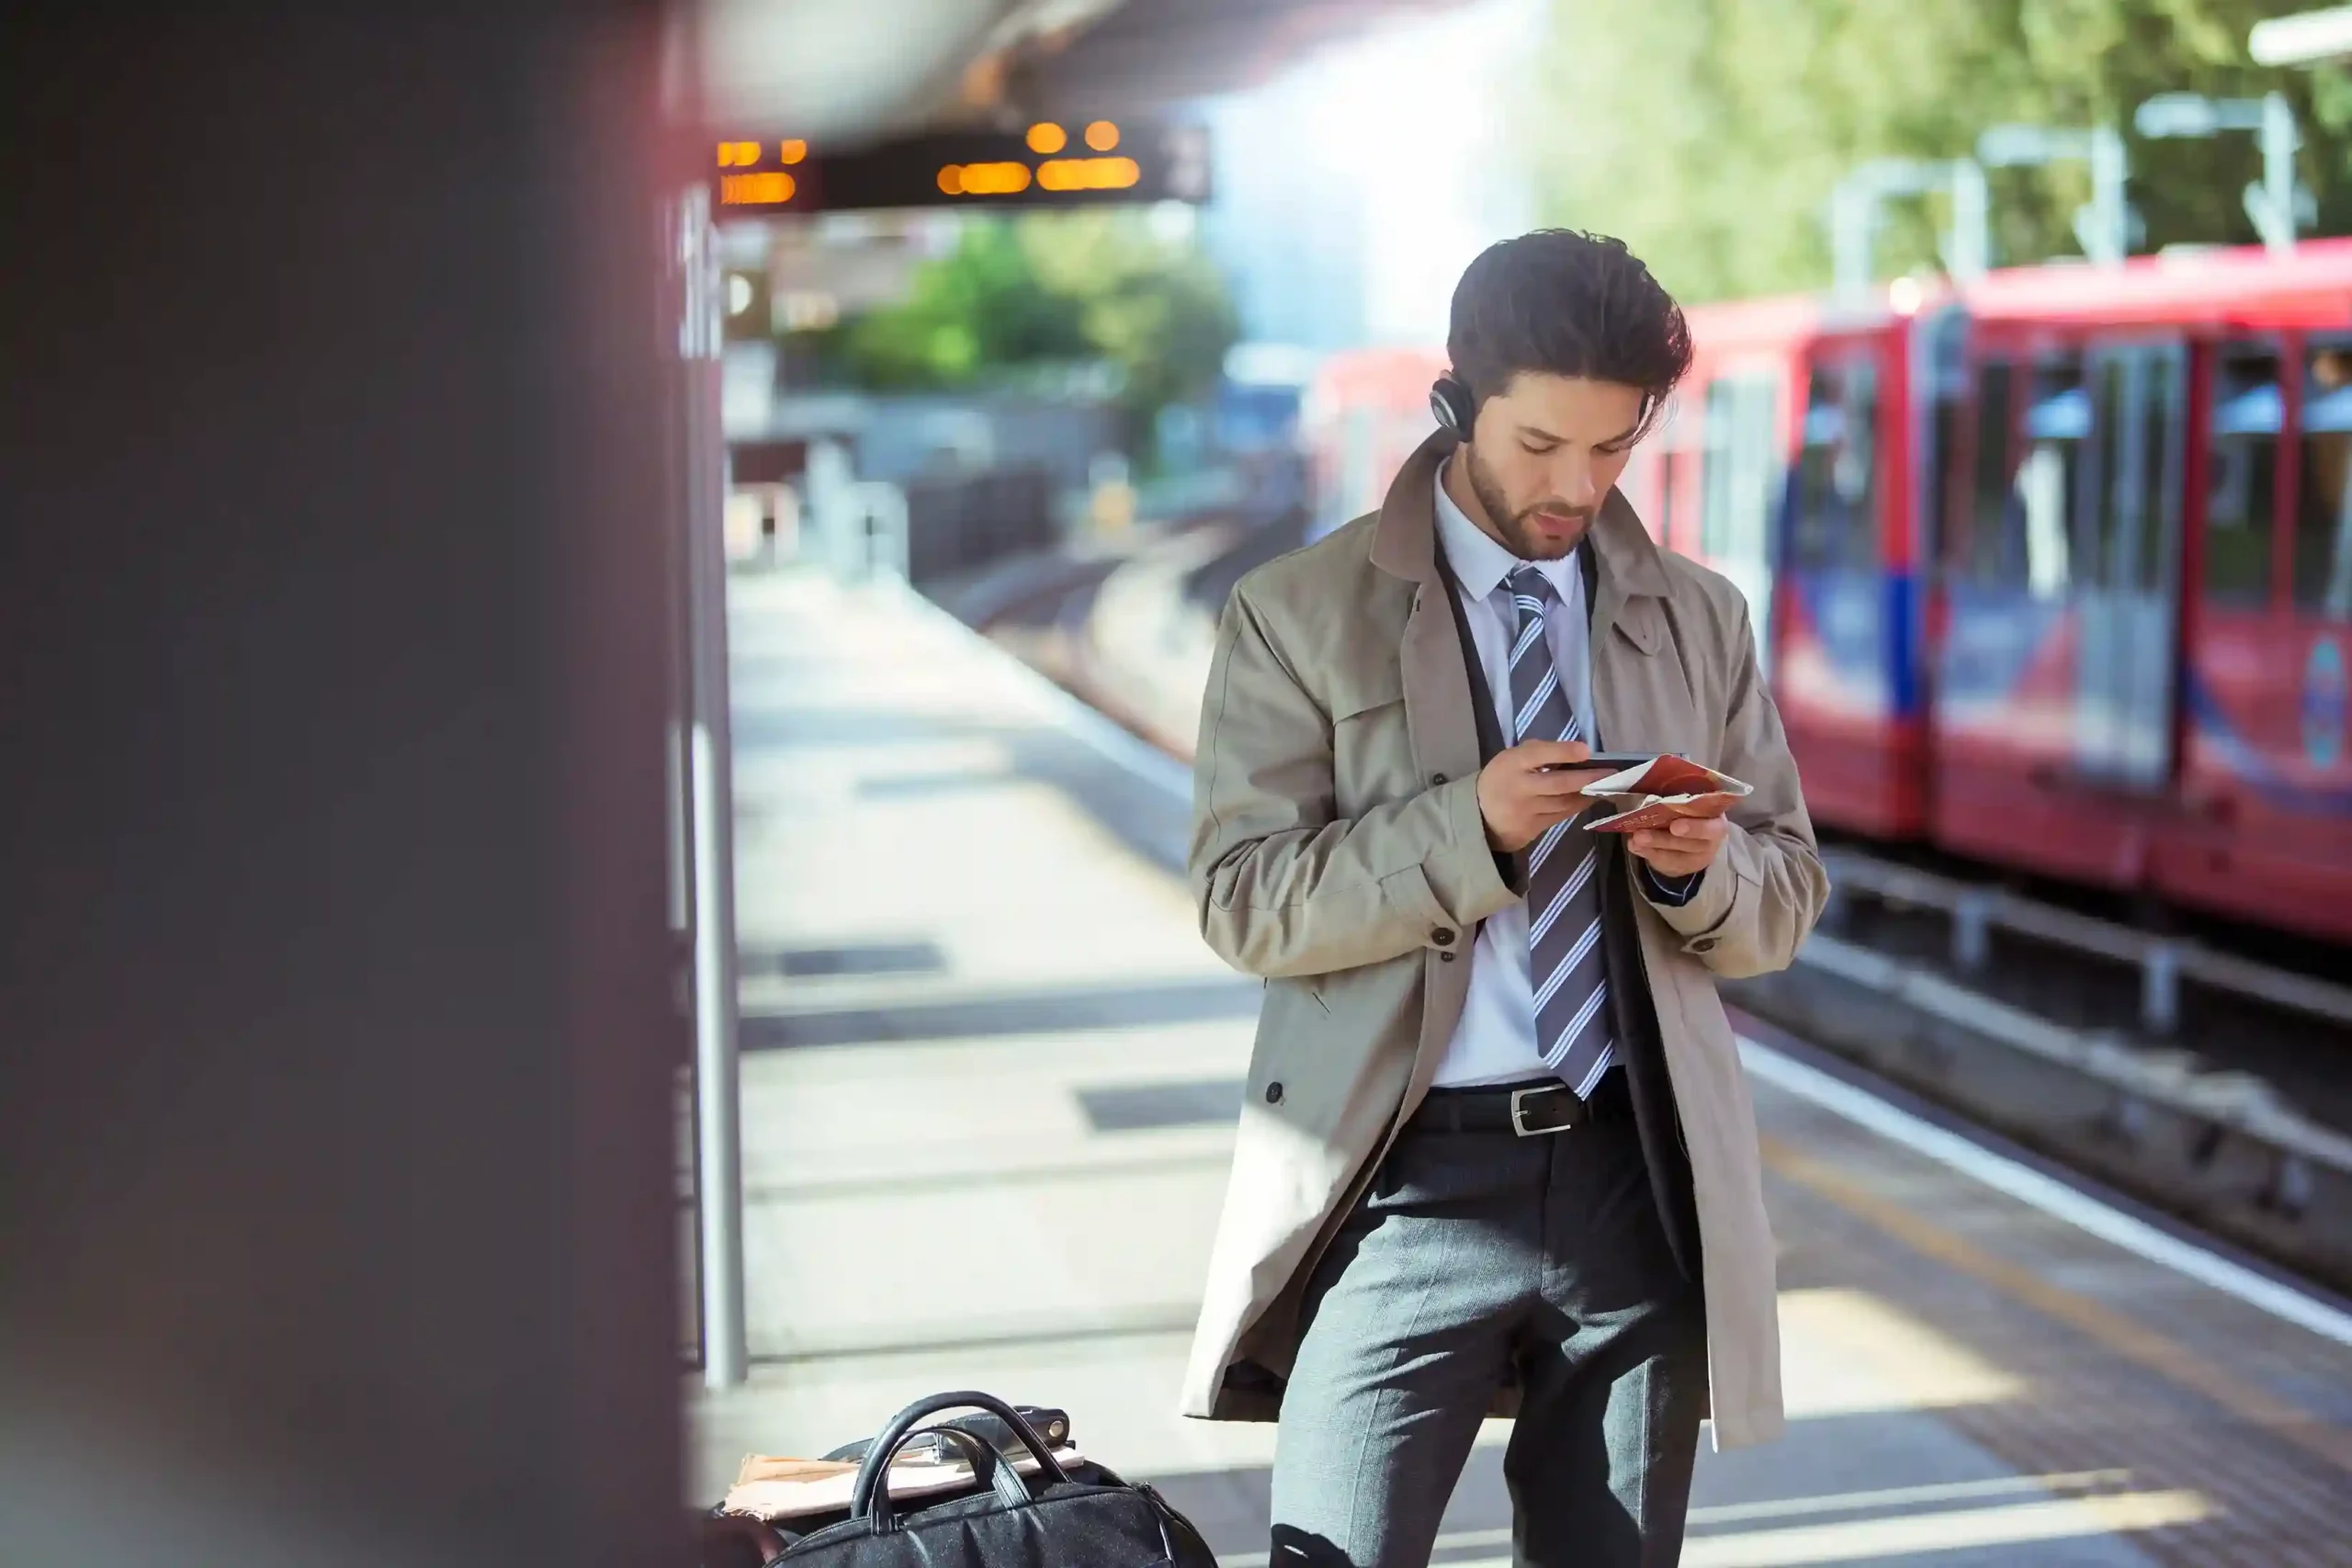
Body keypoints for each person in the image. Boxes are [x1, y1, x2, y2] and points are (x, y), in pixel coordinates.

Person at [1178, 230, 1827, 1567]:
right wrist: (1463, 827)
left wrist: (1697, 866)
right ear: (1459, 399)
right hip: (1402, 1180)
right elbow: (1240, 900)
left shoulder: (1698, 617)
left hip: (1633, 1176)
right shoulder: (1299, 612)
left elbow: (1788, 894)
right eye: (1540, 445)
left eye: (1613, 447)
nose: (1576, 485)